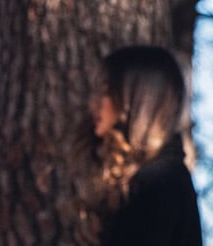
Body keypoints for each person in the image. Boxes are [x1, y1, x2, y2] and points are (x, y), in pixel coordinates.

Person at [86, 44, 203, 246]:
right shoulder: (156, 177)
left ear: (137, 98)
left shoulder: (162, 181)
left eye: (105, 91)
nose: (93, 103)